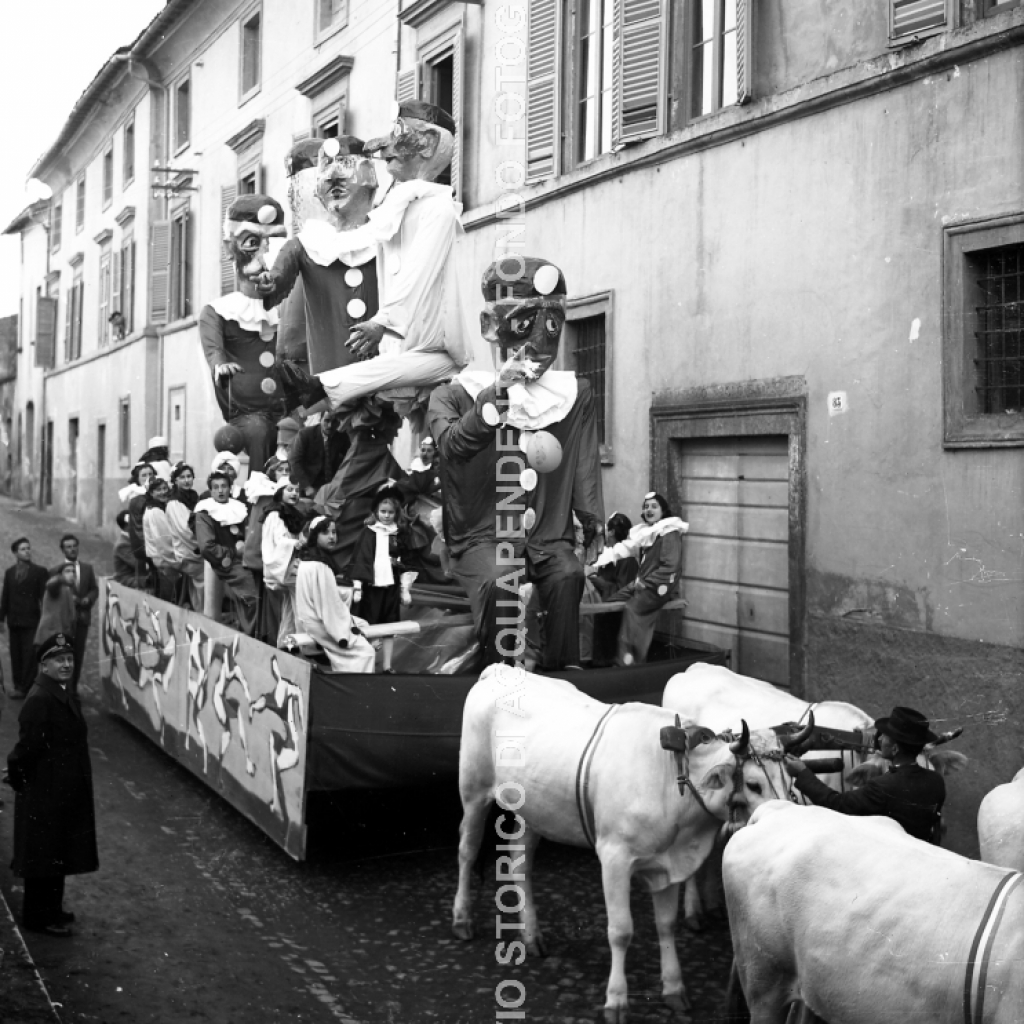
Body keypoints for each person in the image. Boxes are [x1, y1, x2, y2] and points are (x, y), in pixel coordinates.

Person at [427, 258, 604, 670]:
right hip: (482, 536)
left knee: (568, 575)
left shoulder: (573, 394)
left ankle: (562, 680)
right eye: (527, 327)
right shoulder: (453, 394)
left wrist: (590, 517)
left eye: (553, 326)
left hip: (546, 533)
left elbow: (584, 458)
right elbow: (454, 447)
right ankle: (498, 681)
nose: (539, 345)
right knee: (498, 580)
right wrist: (499, 392)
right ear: (493, 327)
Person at [313, 102, 469, 409]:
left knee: (432, 369)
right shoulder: (393, 209)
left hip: (434, 346)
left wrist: (382, 322)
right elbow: (364, 247)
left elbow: (418, 272)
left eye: (398, 135)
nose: (386, 151)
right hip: (398, 345)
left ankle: (323, 386)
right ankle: (325, 387)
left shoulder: (437, 209)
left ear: (429, 145)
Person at [258, 136, 380, 376]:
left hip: (386, 374)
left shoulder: (388, 234)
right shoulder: (306, 244)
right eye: (325, 173)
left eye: (345, 168)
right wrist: (270, 282)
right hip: (326, 377)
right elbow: (279, 278)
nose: (334, 179)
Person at [7, 633, 99, 936]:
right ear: (44, 665)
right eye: (59, 660)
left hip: (61, 791)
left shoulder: (58, 692)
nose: (66, 665)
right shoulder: (40, 699)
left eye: (70, 659)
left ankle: (52, 909)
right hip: (45, 793)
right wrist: (19, 778)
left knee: (56, 852)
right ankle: (37, 917)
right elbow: (25, 749)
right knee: (42, 856)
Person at [201, 195, 290, 469]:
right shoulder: (218, 312)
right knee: (258, 432)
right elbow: (214, 352)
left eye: (274, 242)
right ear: (230, 248)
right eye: (252, 242)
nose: (264, 254)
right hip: (246, 413)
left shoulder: (290, 310)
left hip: (289, 409)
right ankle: (259, 496)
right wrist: (220, 365)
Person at [784, 706, 948, 844]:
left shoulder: (882, 787)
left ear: (895, 749)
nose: (880, 738)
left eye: (885, 737)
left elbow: (836, 803)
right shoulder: (936, 781)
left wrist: (802, 773)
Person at [592, 493, 688, 666]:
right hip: (641, 583)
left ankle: (629, 662)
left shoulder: (669, 532)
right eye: (646, 506)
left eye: (654, 506)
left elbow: (670, 568)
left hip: (657, 586)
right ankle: (605, 657)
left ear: (663, 510)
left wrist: (646, 584)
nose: (649, 510)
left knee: (633, 609)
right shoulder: (648, 532)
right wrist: (593, 565)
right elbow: (623, 548)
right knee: (609, 606)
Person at [294, 517, 375, 673]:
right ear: (315, 535)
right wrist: (343, 634)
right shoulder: (319, 564)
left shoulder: (308, 560)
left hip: (310, 619)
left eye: (333, 532)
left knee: (363, 624)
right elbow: (328, 606)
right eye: (325, 533)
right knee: (366, 653)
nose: (331, 537)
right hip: (319, 623)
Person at [193, 470, 259, 635]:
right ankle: (251, 632)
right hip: (225, 561)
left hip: (245, 557)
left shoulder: (238, 507)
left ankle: (251, 628)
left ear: (230, 488)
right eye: (216, 487)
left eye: (224, 486)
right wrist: (233, 551)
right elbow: (207, 547)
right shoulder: (205, 512)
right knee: (252, 592)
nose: (220, 490)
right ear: (211, 490)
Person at [346, 484, 416, 626]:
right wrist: (358, 586)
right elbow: (360, 558)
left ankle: (388, 649)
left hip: (392, 586)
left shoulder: (399, 533)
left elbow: (406, 561)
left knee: (390, 622)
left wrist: (405, 590)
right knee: (369, 620)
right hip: (371, 586)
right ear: (376, 512)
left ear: (396, 513)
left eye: (390, 512)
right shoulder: (368, 532)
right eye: (383, 511)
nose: (386, 515)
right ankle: (370, 648)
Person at [0, 538, 50, 698]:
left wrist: (45, 620)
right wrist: (1, 619)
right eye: (23, 549)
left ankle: (26, 688)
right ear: (15, 553)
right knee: (16, 655)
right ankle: (18, 685)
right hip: (14, 621)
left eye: (28, 548)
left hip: (31, 620)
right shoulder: (9, 572)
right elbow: (5, 597)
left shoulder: (39, 571)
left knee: (29, 656)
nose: (27, 551)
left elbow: (45, 598)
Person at [261, 476, 308, 645]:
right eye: (290, 490)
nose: (294, 493)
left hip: (290, 561)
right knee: (302, 602)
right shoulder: (275, 514)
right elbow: (278, 540)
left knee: (291, 605)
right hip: (283, 564)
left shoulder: (291, 513)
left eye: (296, 490)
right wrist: (296, 543)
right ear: (280, 492)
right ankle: (304, 644)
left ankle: (286, 642)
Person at [50, 534, 99, 691]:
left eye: (74, 546)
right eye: (68, 547)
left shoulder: (87, 569)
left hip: (82, 619)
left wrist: (88, 599)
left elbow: (94, 589)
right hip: (63, 621)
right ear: (63, 550)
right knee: (62, 654)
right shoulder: (55, 571)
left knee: (77, 655)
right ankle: (61, 688)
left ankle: (73, 689)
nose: (72, 549)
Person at [165, 463, 203, 610]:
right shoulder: (175, 503)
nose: (187, 480)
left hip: (195, 548)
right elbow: (185, 531)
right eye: (182, 477)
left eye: (189, 476)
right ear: (175, 480)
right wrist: (203, 543)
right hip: (188, 550)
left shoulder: (193, 496)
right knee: (205, 579)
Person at [288, 411, 349, 497]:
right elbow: (294, 461)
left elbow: (349, 457)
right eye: (327, 421)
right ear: (320, 420)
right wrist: (307, 487)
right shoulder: (305, 434)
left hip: (328, 484)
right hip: (305, 481)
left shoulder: (341, 437)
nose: (330, 425)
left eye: (334, 422)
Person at [142, 478, 179, 602]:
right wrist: (176, 561)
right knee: (169, 599)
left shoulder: (156, 507)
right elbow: (164, 541)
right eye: (158, 490)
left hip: (162, 560)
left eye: (164, 489)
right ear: (151, 493)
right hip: (165, 561)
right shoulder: (156, 511)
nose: (163, 492)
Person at [35, 566, 77, 655]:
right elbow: (71, 617)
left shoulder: (51, 589)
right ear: (60, 575)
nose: (71, 574)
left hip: (44, 635)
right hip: (57, 637)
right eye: (68, 571)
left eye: (73, 571)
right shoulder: (64, 590)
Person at [111, 511, 138, 589]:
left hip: (136, 576)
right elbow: (137, 563)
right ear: (127, 526)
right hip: (127, 579)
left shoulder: (133, 539)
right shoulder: (122, 545)